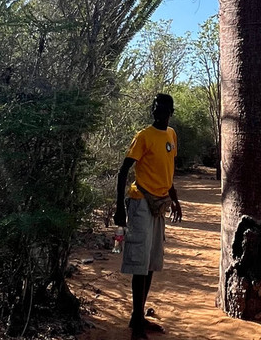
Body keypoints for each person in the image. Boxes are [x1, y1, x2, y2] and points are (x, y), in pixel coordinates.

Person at [115, 93, 183, 339]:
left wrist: (174, 199)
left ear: (171, 111)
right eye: (156, 107)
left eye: (164, 107)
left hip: (160, 204)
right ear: (152, 110)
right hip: (141, 201)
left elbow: (168, 170)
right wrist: (119, 208)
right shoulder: (143, 136)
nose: (160, 111)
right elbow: (124, 171)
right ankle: (137, 326)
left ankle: (138, 317)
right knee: (140, 264)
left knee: (152, 262)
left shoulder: (171, 135)